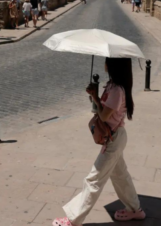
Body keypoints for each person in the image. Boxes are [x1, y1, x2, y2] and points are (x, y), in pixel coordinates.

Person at [53, 58, 145, 226]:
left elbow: (103, 116)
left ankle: (73, 220)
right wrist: (95, 96)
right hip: (115, 137)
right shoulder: (112, 85)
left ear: (112, 65)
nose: (104, 63)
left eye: (107, 61)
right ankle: (134, 210)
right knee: (120, 176)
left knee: (93, 179)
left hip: (114, 139)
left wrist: (95, 97)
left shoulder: (117, 89)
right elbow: (103, 111)